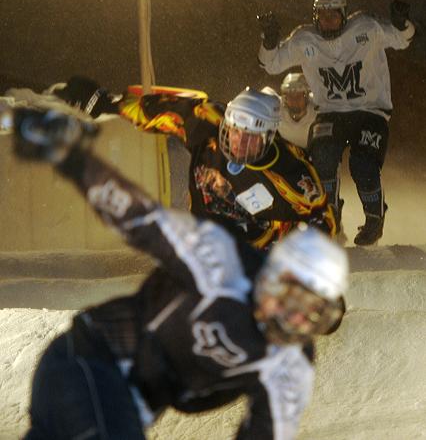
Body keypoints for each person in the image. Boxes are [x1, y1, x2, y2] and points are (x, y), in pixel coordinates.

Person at [5, 105, 349, 440]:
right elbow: (137, 217)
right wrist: (71, 158)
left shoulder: (291, 365)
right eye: (295, 301)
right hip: (90, 361)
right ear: (274, 277)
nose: (296, 324)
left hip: (131, 405)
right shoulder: (220, 258)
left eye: (313, 319)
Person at [51, 76, 336, 249]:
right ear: (226, 124)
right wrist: (104, 102)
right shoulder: (207, 120)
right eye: (235, 133)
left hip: (261, 248)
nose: (239, 145)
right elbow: (156, 111)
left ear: (270, 136)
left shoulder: (291, 171)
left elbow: (322, 218)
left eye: (251, 139)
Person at [257, 0, 415, 245]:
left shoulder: (365, 27)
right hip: (330, 112)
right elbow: (271, 64)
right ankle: (330, 217)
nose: (328, 19)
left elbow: (401, 39)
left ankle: (374, 217)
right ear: (315, 16)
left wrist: (401, 23)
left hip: (370, 111)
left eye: (333, 14)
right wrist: (270, 40)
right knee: (322, 157)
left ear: (344, 14)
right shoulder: (304, 39)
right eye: (323, 14)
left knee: (363, 164)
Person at [278, 72, 316, 150]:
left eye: (298, 96)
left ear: (306, 97)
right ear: (285, 98)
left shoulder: (317, 110)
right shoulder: (276, 110)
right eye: (290, 96)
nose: (294, 101)